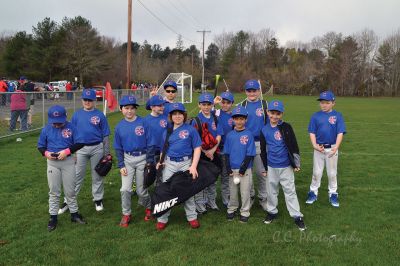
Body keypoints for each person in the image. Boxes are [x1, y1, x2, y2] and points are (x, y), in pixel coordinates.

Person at [58, 89, 111, 214]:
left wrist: (107, 153)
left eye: (90, 100)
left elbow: (106, 135)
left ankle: (98, 199)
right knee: (76, 176)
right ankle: (68, 201)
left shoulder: (100, 115)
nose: (87, 102)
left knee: (97, 175)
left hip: (97, 147)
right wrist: (72, 151)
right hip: (80, 149)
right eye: (85, 100)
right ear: (82, 100)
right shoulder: (76, 115)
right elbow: (71, 134)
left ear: (94, 101)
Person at [37, 105, 86, 231]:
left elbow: (81, 142)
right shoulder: (46, 129)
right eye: (55, 123)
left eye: (60, 123)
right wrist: (46, 153)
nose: (57, 125)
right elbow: (41, 146)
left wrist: (67, 151)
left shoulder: (72, 127)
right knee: (54, 191)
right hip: (52, 163)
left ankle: (74, 214)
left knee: (70, 190)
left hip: (68, 161)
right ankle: (53, 217)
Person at [260, 100, 306, 231]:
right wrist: (265, 167)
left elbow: (294, 145)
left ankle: (297, 216)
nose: (274, 116)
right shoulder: (264, 130)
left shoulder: (286, 127)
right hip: (271, 166)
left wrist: (296, 162)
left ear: (282, 114)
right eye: (272, 113)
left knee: (290, 191)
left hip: (286, 166)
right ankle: (272, 212)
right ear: (267, 112)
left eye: (277, 114)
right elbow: (263, 150)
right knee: (271, 191)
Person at [155, 103, 201, 231]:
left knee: (188, 191)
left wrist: (193, 166)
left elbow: (197, 148)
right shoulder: (167, 131)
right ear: (170, 116)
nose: (177, 116)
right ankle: (162, 219)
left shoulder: (191, 129)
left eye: (180, 113)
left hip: (186, 163)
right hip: (169, 163)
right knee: (166, 191)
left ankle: (192, 217)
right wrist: (161, 161)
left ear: (184, 115)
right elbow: (163, 149)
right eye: (174, 114)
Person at [114, 96, 153, 227]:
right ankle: (126, 213)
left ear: (135, 109)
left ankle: (149, 207)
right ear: (121, 109)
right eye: (126, 108)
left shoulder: (143, 122)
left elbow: (151, 143)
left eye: (132, 108)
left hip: (143, 158)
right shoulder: (119, 126)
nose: (129, 111)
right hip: (127, 159)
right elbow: (118, 147)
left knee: (141, 191)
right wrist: (121, 164)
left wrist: (149, 161)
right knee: (125, 189)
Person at [305, 91, 346, 207]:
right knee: (316, 172)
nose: (324, 105)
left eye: (327, 103)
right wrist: (314, 145)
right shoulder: (315, 116)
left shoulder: (338, 116)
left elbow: (340, 132)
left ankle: (333, 193)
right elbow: (312, 132)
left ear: (333, 103)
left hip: (332, 149)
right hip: (319, 148)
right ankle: (313, 192)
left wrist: (336, 147)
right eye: (322, 103)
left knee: (332, 173)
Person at [191, 92, 223, 213]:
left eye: (208, 104)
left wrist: (213, 150)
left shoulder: (215, 118)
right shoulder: (196, 120)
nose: (206, 107)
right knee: (201, 180)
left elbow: (219, 135)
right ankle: (200, 205)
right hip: (201, 154)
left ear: (212, 105)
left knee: (213, 179)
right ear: (199, 105)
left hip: (214, 153)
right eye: (203, 104)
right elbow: (195, 141)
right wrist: (205, 151)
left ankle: (211, 202)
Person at [223, 106, 256, 223]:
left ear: (245, 120)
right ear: (233, 120)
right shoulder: (230, 135)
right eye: (236, 119)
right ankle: (232, 208)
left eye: (242, 119)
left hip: (245, 170)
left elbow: (251, 153)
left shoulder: (249, 134)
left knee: (245, 191)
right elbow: (226, 153)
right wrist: (228, 168)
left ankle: (245, 211)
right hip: (232, 169)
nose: (239, 121)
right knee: (232, 191)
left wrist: (243, 169)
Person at [240, 79, 268, 210]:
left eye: (254, 90)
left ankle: (263, 198)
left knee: (262, 173)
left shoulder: (265, 105)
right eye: (249, 91)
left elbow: (270, 125)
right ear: (245, 91)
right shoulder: (242, 105)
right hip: (245, 144)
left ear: (259, 91)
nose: (251, 93)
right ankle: (250, 197)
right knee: (247, 174)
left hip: (260, 144)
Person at [214, 91, 235, 208]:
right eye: (223, 102)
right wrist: (214, 103)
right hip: (215, 149)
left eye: (228, 103)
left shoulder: (234, 116)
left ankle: (226, 199)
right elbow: (203, 113)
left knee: (226, 176)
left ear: (232, 103)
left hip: (228, 151)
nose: (225, 105)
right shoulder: (216, 112)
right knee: (213, 176)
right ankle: (209, 199)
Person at [144, 95, 168, 164]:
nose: (162, 107)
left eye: (163, 105)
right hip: (150, 152)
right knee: (151, 172)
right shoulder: (145, 120)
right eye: (160, 106)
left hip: (164, 150)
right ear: (152, 107)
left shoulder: (166, 118)